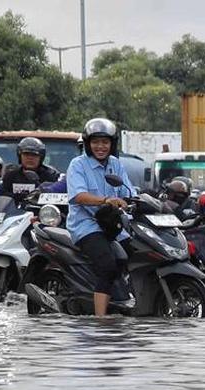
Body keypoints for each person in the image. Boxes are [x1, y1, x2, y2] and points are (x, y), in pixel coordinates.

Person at [66, 118, 136, 317]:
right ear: (88, 144)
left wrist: (144, 199)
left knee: (135, 252)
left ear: (112, 144)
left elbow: (129, 190)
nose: (100, 146)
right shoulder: (78, 164)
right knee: (106, 265)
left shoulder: (115, 164)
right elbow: (78, 196)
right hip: (86, 225)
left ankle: (122, 299)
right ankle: (101, 319)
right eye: (95, 142)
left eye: (105, 142)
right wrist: (106, 200)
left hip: (112, 224)